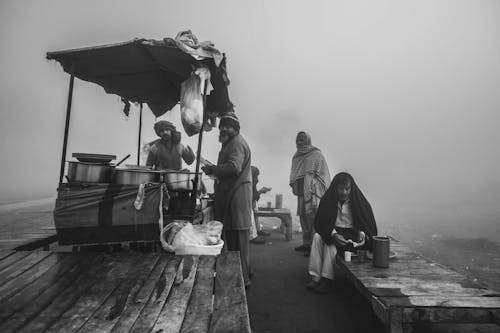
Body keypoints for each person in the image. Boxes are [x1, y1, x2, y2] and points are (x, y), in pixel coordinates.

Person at [201, 112, 253, 288]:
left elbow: (233, 167)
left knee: (237, 239)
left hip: (236, 198)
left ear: (235, 129)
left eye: (228, 126)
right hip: (232, 197)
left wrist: (212, 169)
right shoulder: (230, 143)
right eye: (222, 125)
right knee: (234, 239)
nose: (223, 128)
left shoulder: (236, 143)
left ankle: (243, 280)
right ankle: (242, 274)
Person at [307, 172, 378, 293]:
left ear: (351, 188)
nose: (344, 192)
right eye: (341, 188)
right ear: (335, 188)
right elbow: (321, 222)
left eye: (347, 188)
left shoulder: (358, 202)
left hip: (352, 235)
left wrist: (362, 233)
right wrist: (333, 233)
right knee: (318, 237)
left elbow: (365, 223)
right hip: (333, 229)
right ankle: (316, 276)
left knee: (330, 245)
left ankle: (327, 279)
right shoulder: (328, 200)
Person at [289, 131, 330, 254]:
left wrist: (312, 184)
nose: (299, 142)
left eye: (302, 140)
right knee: (303, 217)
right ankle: (306, 243)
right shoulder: (296, 156)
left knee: (313, 218)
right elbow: (295, 174)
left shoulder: (317, 155)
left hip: (314, 193)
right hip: (302, 192)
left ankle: (315, 247)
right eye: (298, 140)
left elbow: (324, 174)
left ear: (308, 140)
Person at [250, 166, 272, 244]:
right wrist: (260, 191)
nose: (257, 179)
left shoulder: (253, 182)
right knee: (250, 213)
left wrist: (260, 192)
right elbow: (249, 196)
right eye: (256, 176)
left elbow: (254, 195)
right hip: (244, 203)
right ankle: (252, 236)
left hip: (250, 200)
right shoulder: (248, 182)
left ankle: (258, 230)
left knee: (256, 207)